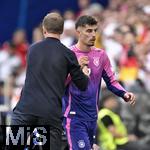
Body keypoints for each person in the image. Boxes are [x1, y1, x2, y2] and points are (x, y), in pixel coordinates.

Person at [7, 12, 89, 150]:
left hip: (25, 110)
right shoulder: (68, 54)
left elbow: (46, 69)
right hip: (50, 114)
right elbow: (82, 85)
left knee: (14, 147)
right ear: (62, 31)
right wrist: (83, 72)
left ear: (44, 29)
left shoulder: (32, 49)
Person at [63, 15, 135, 150]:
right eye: (89, 31)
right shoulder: (68, 54)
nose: (93, 34)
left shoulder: (101, 55)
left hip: (92, 117)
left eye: (95, 30)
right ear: (78, 32)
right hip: (74, 117)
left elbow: (112, 81)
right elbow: (60, 83)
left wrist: (124, 93)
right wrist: (76, 68)